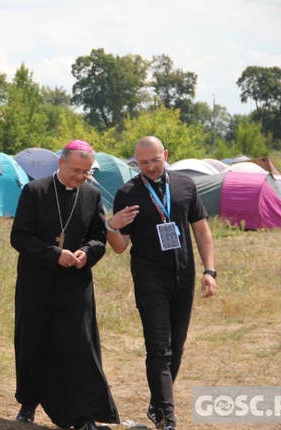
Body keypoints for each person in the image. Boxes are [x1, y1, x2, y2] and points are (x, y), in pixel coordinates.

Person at [106, 136, 217, 430]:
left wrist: (210, 271)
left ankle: (157, 403)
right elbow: (120, 247)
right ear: (135, 162)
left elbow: (202, 231)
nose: (151, 167)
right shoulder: (127, 192)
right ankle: (167, 417)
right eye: (143, 163)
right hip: (149, 279)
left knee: (176, 349)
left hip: (184, 277)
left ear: (165, 154)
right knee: (159, 349)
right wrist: (111, 226)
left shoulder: (184, 186)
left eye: (156, 160)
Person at [10, 140, 119, 430]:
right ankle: (28, 402)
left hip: (75, 283)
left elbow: (99, 237)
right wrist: (55, 254)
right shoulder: (35, 191)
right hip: (37, 282)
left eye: (86, 172)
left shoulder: (92, 195)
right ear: (60, 163)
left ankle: (82, 411)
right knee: (34, 341)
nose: (80, 177)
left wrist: (88, 253)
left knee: (78, 346)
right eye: (75, 171)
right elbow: (19, 237)